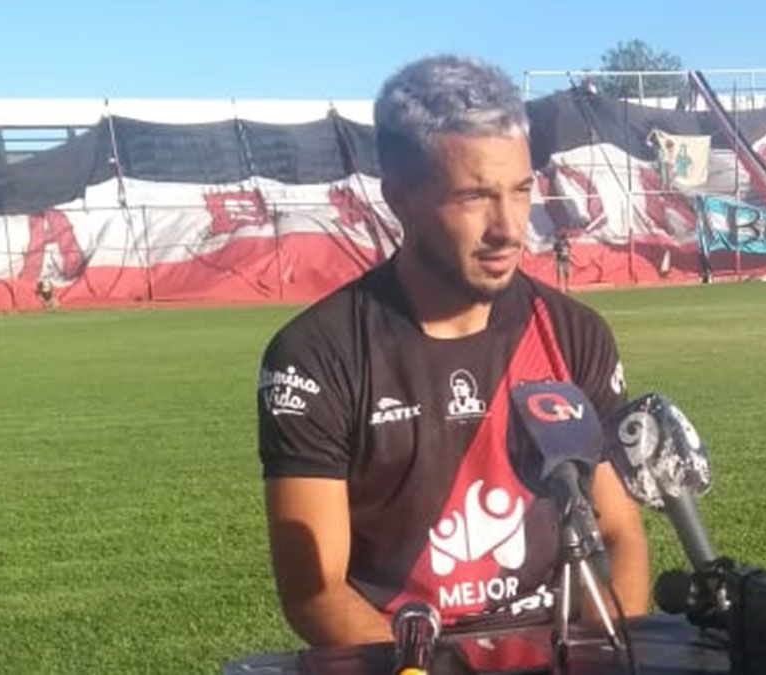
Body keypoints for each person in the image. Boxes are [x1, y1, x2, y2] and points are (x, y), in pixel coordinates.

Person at [257, 55, 649, 648]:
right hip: (402, 659)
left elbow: (618, 532)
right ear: (400, 198)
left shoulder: (573, 333)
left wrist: (606, 660)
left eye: (520, 191)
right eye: (473, 197)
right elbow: (316, 591)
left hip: (560, 650)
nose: (510, 227)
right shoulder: (316, 355)